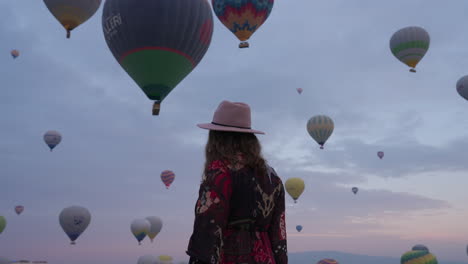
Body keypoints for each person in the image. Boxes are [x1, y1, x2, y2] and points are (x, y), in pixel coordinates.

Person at [186, 100, 287, 264]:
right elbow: (279, 234)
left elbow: (208, 229)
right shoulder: (272, 176)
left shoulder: (220, 172)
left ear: (216, 138)